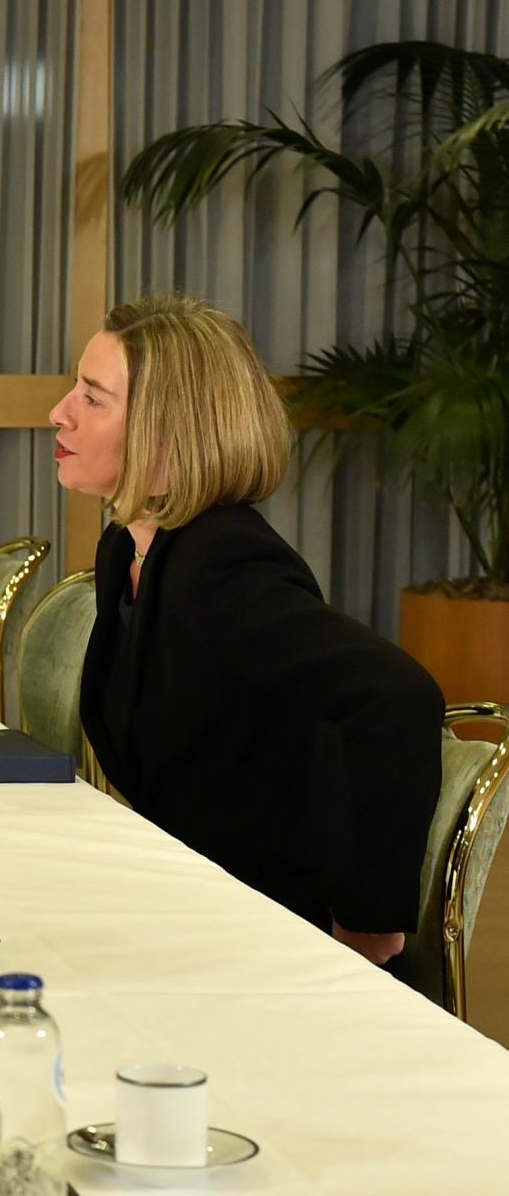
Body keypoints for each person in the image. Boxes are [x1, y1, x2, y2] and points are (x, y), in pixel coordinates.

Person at [50, 292, 441, 965]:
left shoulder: (223, 564)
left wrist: (368, 924)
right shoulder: (131, 549)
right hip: (196, 908)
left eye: (92, 397)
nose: (60, 412)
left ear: (165, 432)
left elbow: (396, 697)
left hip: (272, 937)